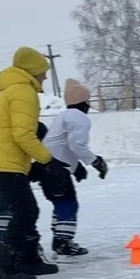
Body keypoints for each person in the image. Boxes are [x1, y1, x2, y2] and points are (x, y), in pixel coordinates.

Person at [0, 47, 60, 279]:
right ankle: (7, 268)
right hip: (6, 163)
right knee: (23, 212)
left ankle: (28, 259)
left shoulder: (9, 88)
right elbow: (23, 135)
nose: (44, 78)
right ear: (33, 72)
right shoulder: (24, 91)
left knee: (27, 211)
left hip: (4, 160)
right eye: (43, 73)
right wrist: (48, 160)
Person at [39, 79, 108, 257]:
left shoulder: (63, 115)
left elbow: (62, 144)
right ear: (83, 102)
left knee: (60, 203)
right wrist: (95, 161)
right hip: (56, 169)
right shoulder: (79, 117)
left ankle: (59, 238)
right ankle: (63, 241)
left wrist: (75, 166)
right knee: (68, 203)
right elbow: (77, 145)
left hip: (47, 166)